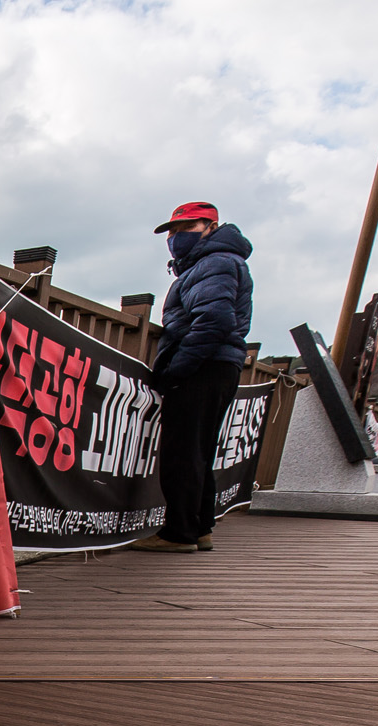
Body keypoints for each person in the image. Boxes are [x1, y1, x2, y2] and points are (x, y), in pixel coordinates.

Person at [131, 202, 253, 553]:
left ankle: (178, 533)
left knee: (181, 453)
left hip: (203, 366)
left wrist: (176, 369)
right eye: (172, 231)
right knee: (199, 452)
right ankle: (199, 528)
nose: (175, 237)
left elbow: (215, 321)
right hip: (219, 365)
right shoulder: (223, 262)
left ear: (211, 227)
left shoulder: (213, 263)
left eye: (186, 228)